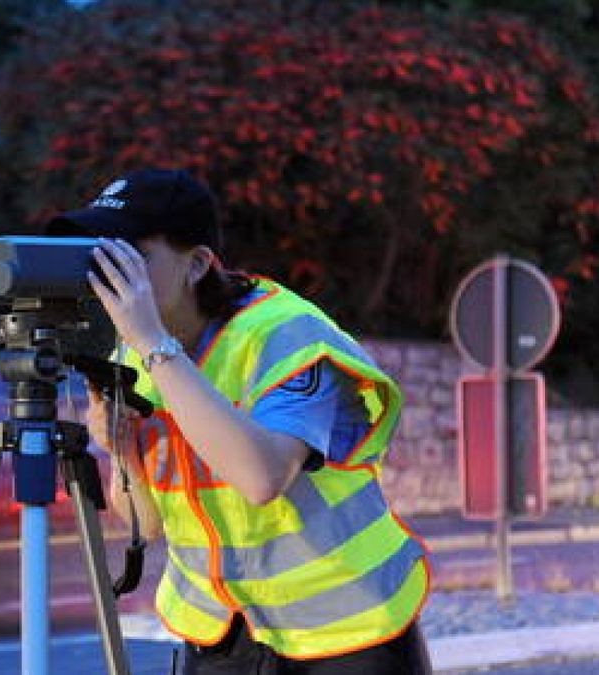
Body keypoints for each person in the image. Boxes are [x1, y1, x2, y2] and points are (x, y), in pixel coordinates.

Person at [48, 168, 432, 674]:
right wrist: (123, 455)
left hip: (345, 630)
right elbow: (147, 524)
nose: (112, 273)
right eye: (101, 253)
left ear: (198, 264)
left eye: (131, 254)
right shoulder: (136, 352)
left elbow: (262, 478)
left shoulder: (284, 337)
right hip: (222, 637)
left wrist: (150, 344)